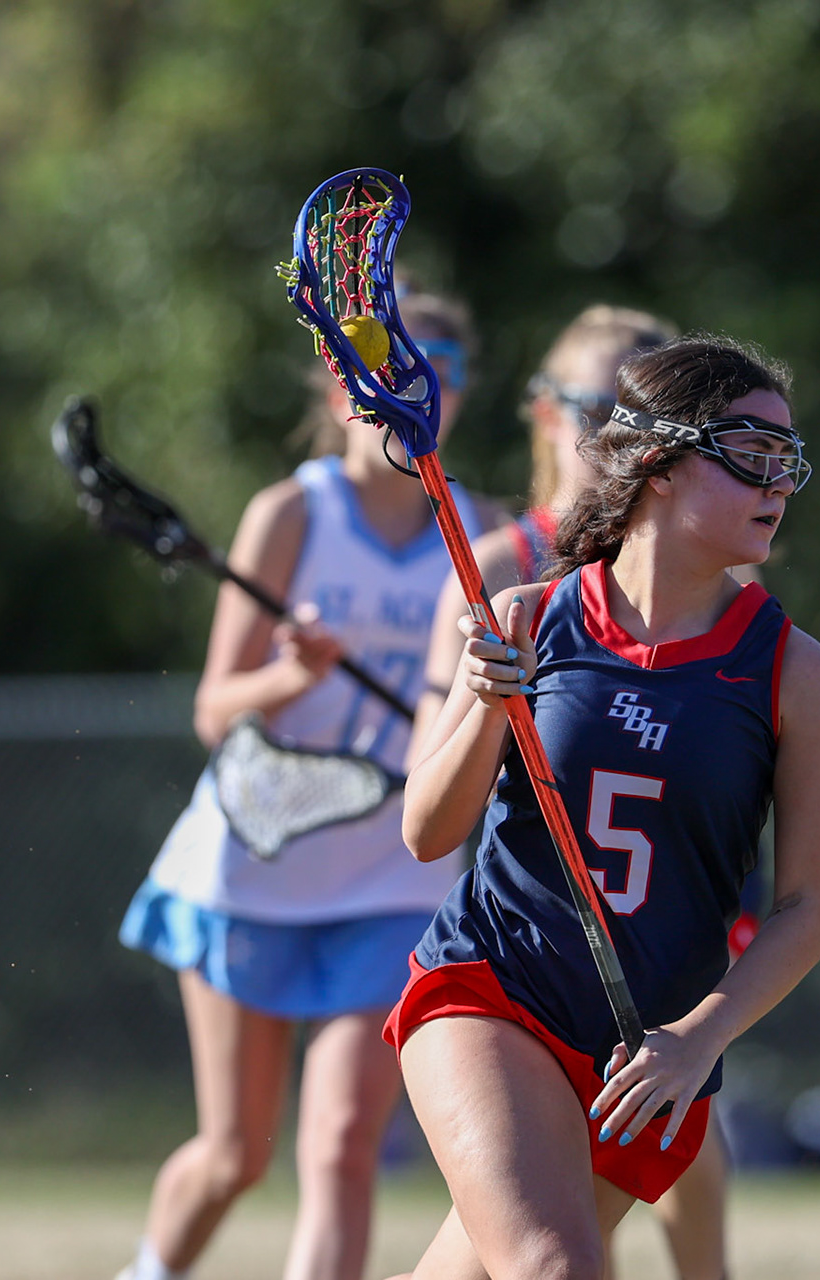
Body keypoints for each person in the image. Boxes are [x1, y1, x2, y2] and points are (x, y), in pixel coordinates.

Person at [387, 335, 820, 1280]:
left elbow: (807, 910)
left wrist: (699, 1037)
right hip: (494, 989)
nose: (781, 484)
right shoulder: (527, 617)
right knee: (557, 1268)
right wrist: (483, 701)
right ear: (661, 465)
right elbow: (426, 834)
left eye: (788, 461)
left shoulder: (795, 674)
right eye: (752, 456)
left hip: (644, 1058)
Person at [113, 293, 509, 1280]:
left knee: (339, 1145)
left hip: (395, 873)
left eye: (445, 365)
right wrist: (294, 674)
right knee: (235, 1154)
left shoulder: (486, 533)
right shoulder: (293, 513)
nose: (421, 383)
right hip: (256, 860)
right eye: (392, 363)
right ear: (343, 387)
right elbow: (218, 708)